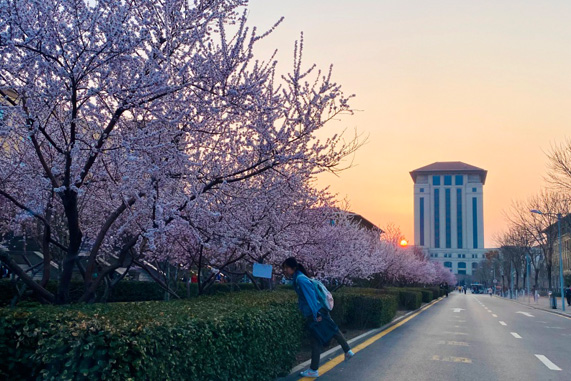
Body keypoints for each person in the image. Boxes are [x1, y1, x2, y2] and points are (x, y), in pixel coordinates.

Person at [282, 257, 354, 378]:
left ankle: (345, 351)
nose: (285, 270)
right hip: (315, 312)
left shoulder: (300, 279)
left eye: (286, 268)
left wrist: (316, 314)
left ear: (293, 268)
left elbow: (311, 297)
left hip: (314, 313)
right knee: (319, 338)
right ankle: (345, 352)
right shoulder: (299, 278)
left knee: (328, 332)